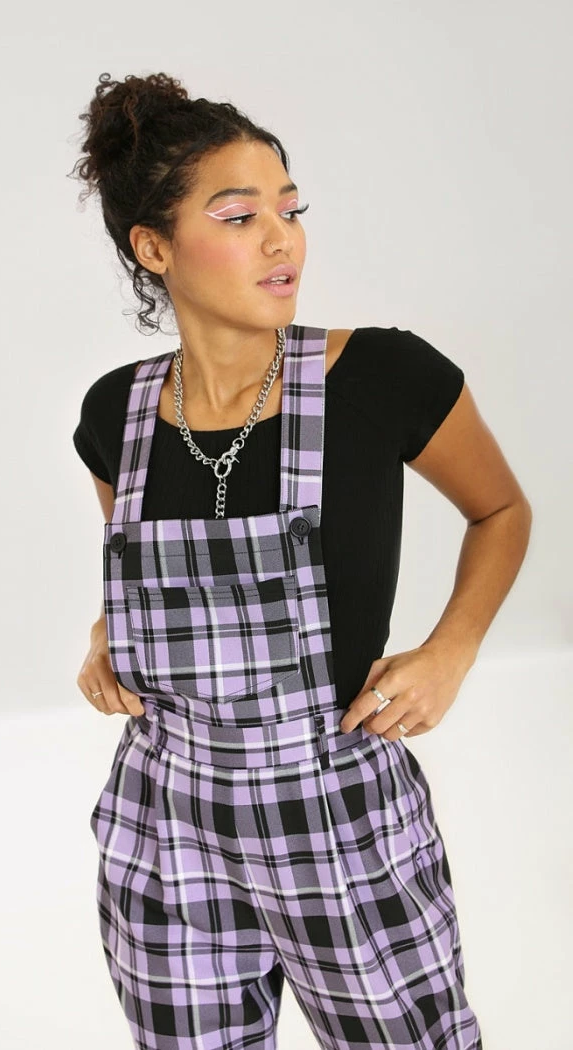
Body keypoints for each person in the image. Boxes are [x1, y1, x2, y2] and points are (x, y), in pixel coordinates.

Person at [69, 72, 532, 1050]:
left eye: (291, 210)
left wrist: (449, 650)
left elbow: (500, 509)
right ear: (153, 247)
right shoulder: (116, 414)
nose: (282, 240)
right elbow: (133, 568)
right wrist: (110, 629)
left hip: (339, 820)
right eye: (240, 217)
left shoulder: (381, 377)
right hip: (166, 825)